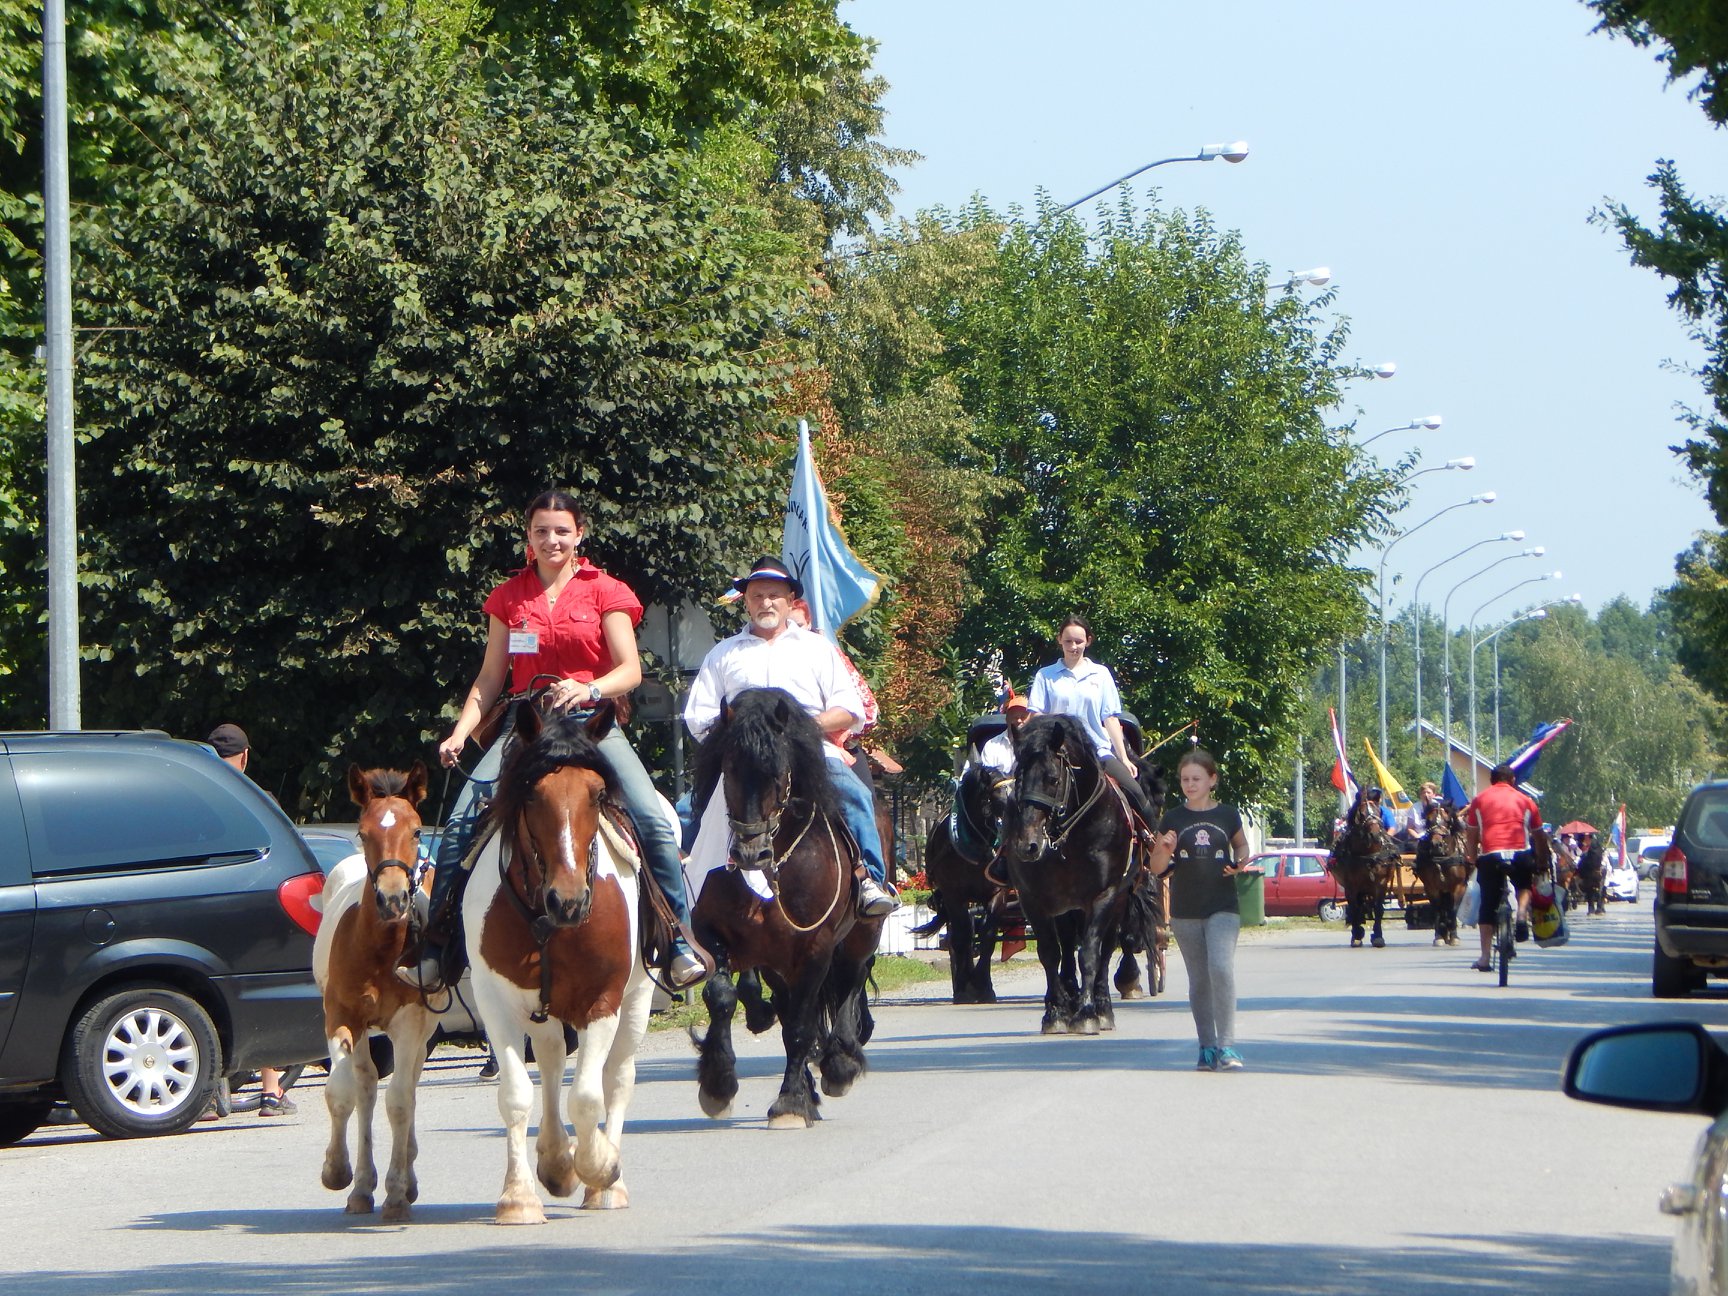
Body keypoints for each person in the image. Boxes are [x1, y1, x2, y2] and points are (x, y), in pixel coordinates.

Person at [402, 489, 705, 991]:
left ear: (579, 534)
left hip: (589, 723)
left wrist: (588, 686)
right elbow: (490, 677)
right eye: (541, 530)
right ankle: (437, 948)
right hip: (528, 725)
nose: (552, 540)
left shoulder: (605, 590)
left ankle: (676, 939)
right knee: (458, 823)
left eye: (562, 530)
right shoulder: (509, 598)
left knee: (651, 816)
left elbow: (630, 670)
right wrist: (459, 732)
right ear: (529, 535)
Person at [684, 556, 897, 917]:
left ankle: (870, 879)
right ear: (746, 601)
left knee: (855, 794)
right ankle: (684, 889)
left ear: (789, 602)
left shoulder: (817, 649)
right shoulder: (723, 654)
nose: (765, 603)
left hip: (808, 752)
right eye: (757, 595)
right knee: (687, 809)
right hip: (747, 759)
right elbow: (698, 716)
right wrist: (741, 736)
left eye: (774, 595)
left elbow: (849, 708)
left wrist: (804, 728)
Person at [207, 723, 296, 1117]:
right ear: (245, 756)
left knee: (207, 998)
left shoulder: (194, 798)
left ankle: (210, 1093)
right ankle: (271, 1094)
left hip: (208, 912)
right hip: (255, 912)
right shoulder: (261, 800)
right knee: (263, 994)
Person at [1148, 747, 1251, 1071]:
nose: (1190, 784)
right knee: (1199, 980)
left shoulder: (1228, 814)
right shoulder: (1173, 818)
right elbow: (1155, 866)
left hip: (1223, 906)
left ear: (1212, 780)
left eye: (1196, 778)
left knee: (1220, 968)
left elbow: (1242, 845)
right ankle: (1206, 1047)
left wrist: (1240, 862)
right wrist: (1165, 848)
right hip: (1185, 910)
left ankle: (1228, 1046)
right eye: (1185, 779)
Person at [1026, 616, 1158, 833]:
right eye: (1068, 641)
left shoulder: (1101, 674)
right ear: (1059, 640)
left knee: (1135, 791)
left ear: (1088, 641)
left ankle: (1154, 847)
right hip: (1055, 755)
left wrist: (1123, 758)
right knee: (1018, 793)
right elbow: (1037, 716)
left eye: (1078, 641)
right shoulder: (1045, 676)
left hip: (1096, 752)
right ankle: (1004, 853)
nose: (1073, 646)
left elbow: (1110, 718)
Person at [1463, 762, 1546, 972]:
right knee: (1524, 886)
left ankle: (1484, 958)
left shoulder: (1479, 800)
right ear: (1513, 781)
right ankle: (1521, 915)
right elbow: (1539, 835)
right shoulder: (1526, 801)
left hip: (1491, 856)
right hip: (1520, 854)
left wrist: (1472, 858)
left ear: (1491, 781)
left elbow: (1471, 835)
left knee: (1487, 904)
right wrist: (1542, 861)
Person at [979, 688, 1031, 774]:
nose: (1018, 720)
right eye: (1014, 717)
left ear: (1030, 719)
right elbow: (986, 777)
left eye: (1023, 717)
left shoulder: (1037, 745)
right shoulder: (992, 746)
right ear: (1007, 718)